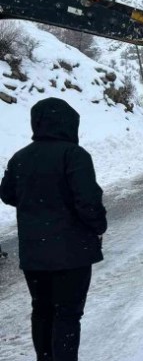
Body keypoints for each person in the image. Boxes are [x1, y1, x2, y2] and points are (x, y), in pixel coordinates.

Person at [0, 97, 107, 361]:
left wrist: (36, 201)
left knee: (42, 310)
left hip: (34, 253)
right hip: (72, 253)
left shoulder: (20, 157)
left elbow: (7, 194)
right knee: (68, 314)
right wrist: (98, 225)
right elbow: (87, 201)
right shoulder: (74, 155)